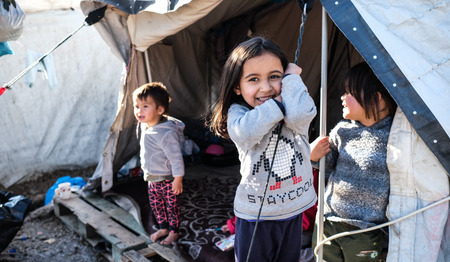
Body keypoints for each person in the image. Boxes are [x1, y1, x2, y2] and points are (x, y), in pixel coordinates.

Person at [209, 36, 317, 262]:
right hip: (257, 217)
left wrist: (292, 80)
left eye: (275, 77)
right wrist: (277, 105)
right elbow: (246, 133)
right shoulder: (239, 114)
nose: (266, 87)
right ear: (237, 86)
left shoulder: (294, 104)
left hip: (294, 210)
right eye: (253, 79)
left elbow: (300, 115)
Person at [311, 61, 397, 261]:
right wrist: (314, 155)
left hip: (366, 229)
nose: (342, 97)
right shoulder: (343, 130)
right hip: (329, 219)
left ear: (377, 99)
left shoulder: (393, 134)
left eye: (350, 92)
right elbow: (327, 163)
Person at [133, 82, 185, 245]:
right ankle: (163, 227)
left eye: (145, 106)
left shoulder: (165, 133)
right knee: (157, 206)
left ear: (160, 110)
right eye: (137, 106)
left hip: (167, 180)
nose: (139, 111)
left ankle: (174, 232)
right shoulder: (146, 126)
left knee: (172, 207)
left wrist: (178, 178)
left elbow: (176, 157)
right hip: (152, 179)